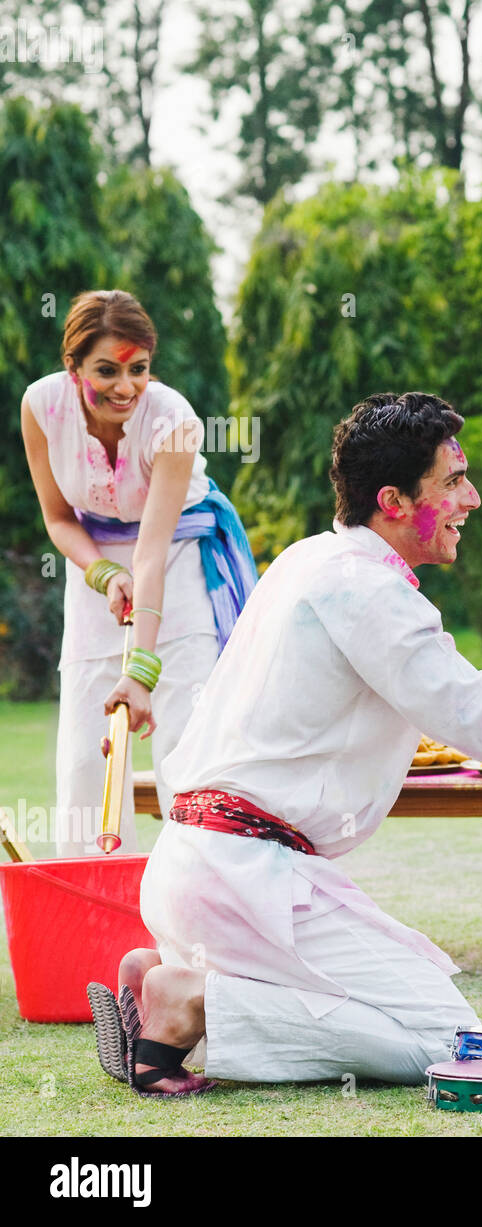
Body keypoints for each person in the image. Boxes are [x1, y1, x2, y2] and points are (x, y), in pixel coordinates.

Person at [90, 391, 482, 1096]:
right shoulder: (369, 591)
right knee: (443, 1039)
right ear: (393, 500)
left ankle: (174, 975)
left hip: (207, 871)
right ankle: (191, 1000)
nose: (473, 498)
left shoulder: (311, 560)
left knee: (406, 1006)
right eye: (453, 481)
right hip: (241, 878)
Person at [21, 290, 256, 856]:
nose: (125, 386)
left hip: (178, 560)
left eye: (139, 369)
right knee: (85, 752)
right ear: (72, 365)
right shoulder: (41, 406)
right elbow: (57, 517)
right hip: (95, 564)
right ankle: (96, 917)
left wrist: (142, 670)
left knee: (185, 746)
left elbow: (150, 553)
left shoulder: (172, 419)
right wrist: (101, 572)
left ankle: (198, 907)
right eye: (107, 369)